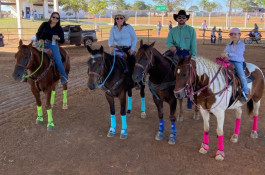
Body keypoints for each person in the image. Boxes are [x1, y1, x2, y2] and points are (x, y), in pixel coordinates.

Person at [36, 12, 67, 84]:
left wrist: (58, 38)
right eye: (54, 17)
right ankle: (25, 74)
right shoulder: (44, 24)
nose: (55, 19)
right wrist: (39, 39)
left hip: (53, 43)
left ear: (58, 19)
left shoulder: (59, 28)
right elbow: (38, 33)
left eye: (57, 18)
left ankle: (64, 78)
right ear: (51, 17)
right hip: (42, 42)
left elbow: (62, 40)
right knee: (30, 53)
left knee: (58, 60)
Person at [108, 12, 137, 88]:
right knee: (108, 61)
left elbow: (134, 38)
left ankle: (136, 81)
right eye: (117, 18)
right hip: (117, 49)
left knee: (133, 62)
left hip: (128, 49)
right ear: (115, 20)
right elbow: (110, 39)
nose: (119, 19)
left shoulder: (129, 27)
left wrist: (132, 49)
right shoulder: (113, 29)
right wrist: (110, 46)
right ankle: (108, 79)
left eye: (121, 18)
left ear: (124, 19)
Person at [221, 28, 248, 102]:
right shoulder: (229, 45)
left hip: (238, 62)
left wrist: (228, 54)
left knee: (241, 75)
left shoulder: (242, 45)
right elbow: (225, 52)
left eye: (235, 34)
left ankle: (245, 92)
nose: (233, 36)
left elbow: (238, 54)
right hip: (228, 61)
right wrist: (223, 54)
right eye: (231, 34)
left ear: (239, 35)